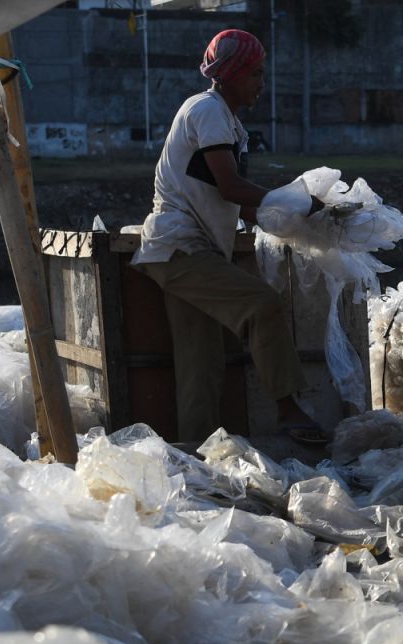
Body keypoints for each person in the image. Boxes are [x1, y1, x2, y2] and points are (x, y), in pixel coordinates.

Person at [132, 29, 327, 445]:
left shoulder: (228, 124)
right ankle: (289, 409)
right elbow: (231, 188)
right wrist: (299, 203)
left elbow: (245, 206)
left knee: (200, 363)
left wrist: (309, 221)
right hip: (182, 247)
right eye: (256, 73)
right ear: (234, 74)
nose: (261, 82)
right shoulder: (207, 110)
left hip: (183, 251)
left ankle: (197, 454)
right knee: (263, 304)